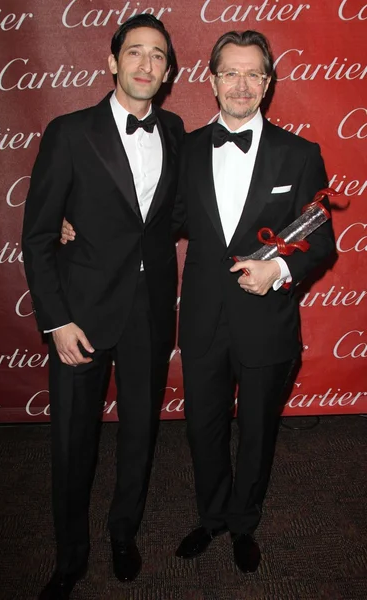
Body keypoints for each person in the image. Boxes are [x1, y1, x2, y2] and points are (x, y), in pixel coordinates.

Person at [22, 14, 184, 599]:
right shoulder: (69, 132)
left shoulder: (175, 131)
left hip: (148, 311)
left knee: (140, 431)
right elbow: (38, 236)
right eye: (135, 53)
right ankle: (69, 558)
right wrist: (56, 320)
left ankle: (124, 531)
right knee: (72, 442)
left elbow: (173, 217)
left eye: (158, 56)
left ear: (168, 72)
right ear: (113, 62)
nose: (146, 65)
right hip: (80, 316)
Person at [174, 30, 336, 573]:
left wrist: (279, 268)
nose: (241, 85)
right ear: (213, 80)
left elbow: (319, 240)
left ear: (267, 83)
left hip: (266, 320)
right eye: (230, 73)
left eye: (253, 74)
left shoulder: (299, 153)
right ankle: (213, 515)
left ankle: (244, 521)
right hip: (200, 317)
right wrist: (79, 224)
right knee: (204, 426)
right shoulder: (187, 148)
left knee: (259, 430)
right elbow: (155, 222)